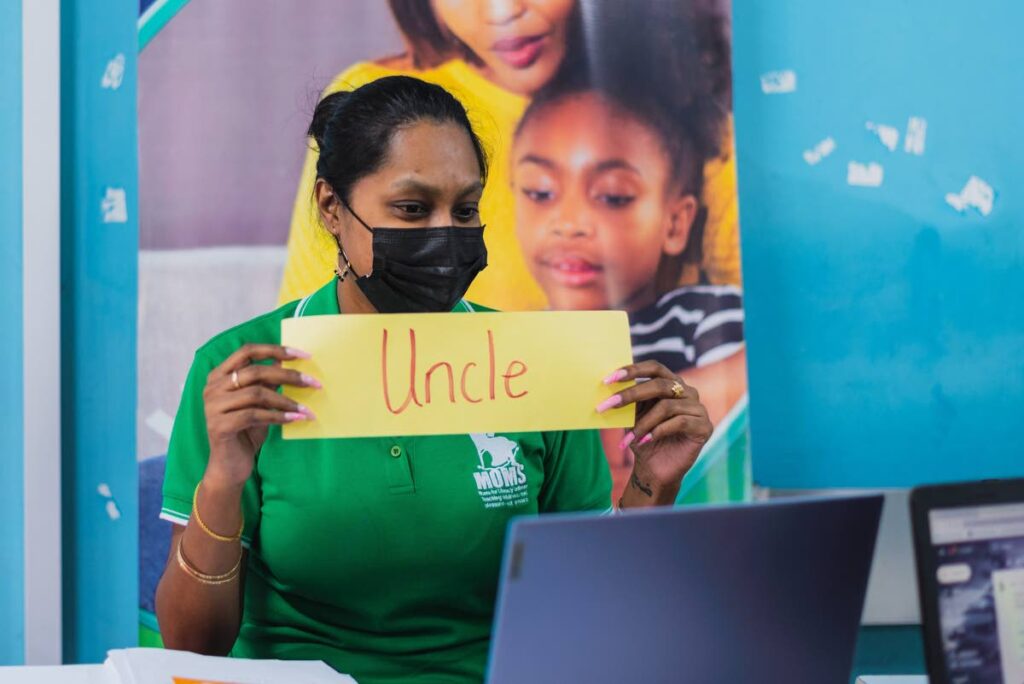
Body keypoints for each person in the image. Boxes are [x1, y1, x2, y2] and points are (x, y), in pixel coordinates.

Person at [156, 76, 713, 684]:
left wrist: (650, 488)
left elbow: (589, 619)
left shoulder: (537, 365)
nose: (445, 235)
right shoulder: (243, 371)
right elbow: (192, 648)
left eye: (465, 209)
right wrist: (222, 480)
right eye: (413, 209)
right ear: (330, 206)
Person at [277, 0, 742, 312]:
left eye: (614, 196)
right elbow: (311, 334)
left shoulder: (686, 113)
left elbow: (763, 346)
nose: (503, 12)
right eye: (414, 209)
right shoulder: (370, 101)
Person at [510, 40, 746, 499]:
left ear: (676, 222)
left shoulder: (707, 318)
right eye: (539, 192)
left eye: (613, 196)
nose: (569, 224)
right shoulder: (509, 344)